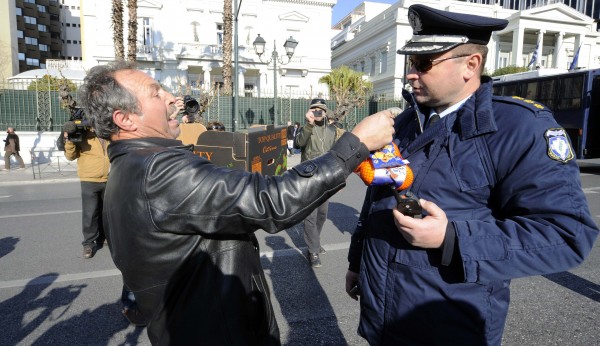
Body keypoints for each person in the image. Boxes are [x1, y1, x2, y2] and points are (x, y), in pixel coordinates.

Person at [77, 60, 394, 345]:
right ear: (125, 118)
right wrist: (355, 146)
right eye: (155, 93)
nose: (171, 98)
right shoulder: (158, 171)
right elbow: (272, 201)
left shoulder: (129, 165)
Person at [345, 5, 599, 346]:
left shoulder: (519, 128)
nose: (410, 74)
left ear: (470, 65)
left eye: (423, 63)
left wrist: (451, 237)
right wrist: (357, 260)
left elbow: (567, 234)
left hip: (449, 327)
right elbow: (376, 196)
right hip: (384, 317)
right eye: (410, 63)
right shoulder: (403, 123)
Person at [294, 98, 344, 268]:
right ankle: (312, 250)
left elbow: (336, 156)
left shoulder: (331, 130)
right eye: (314, 109)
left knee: (322, 214)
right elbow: (298, 143)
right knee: (311, 215)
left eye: (320, 109)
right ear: (309, 111)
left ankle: (315, 241)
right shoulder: (306, 129)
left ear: (325, 112)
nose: (317, 112)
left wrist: (337, 180)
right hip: (308, 177)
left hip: (326, 177)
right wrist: (309, 124)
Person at [63, 125, 110, 259]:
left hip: (109, 178)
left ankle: (103, 237)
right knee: (90, 213)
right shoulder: (83, 134)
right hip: (89, 179)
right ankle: (89, 243)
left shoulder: (107, 133)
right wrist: (70, 140)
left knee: (106, 212)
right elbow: (70, 156)